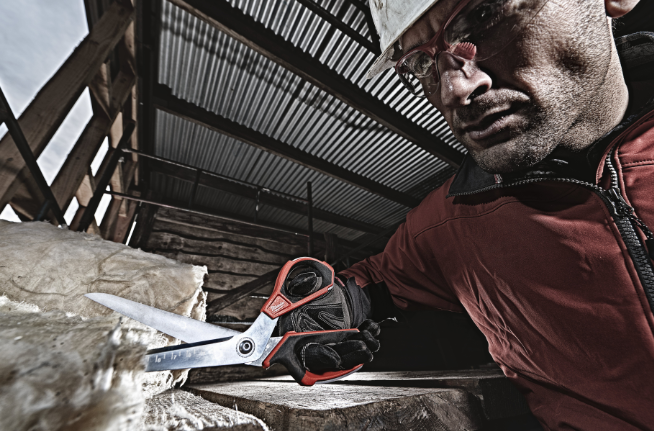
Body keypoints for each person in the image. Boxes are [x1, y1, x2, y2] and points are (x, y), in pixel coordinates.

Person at [280, 0, 654, 429]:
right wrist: (317, 311)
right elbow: (368, 283)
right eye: (422, 63)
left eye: (485, 15)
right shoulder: (450, 223)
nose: (453, 90)